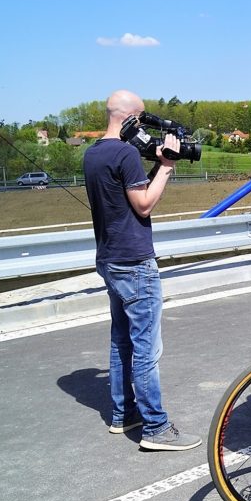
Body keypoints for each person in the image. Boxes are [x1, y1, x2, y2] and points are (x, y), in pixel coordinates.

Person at [83, 89, 201, 451]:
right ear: (131, 119)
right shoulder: (125, 153)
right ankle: (156, 428)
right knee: (146, 348)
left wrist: (158, 162)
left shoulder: (93, 153)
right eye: (143, 119)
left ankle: (124, 414)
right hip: (134, 261)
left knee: (121, 341)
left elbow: (126, 194)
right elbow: (144, 204)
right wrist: (166, 166)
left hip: (109, 258)